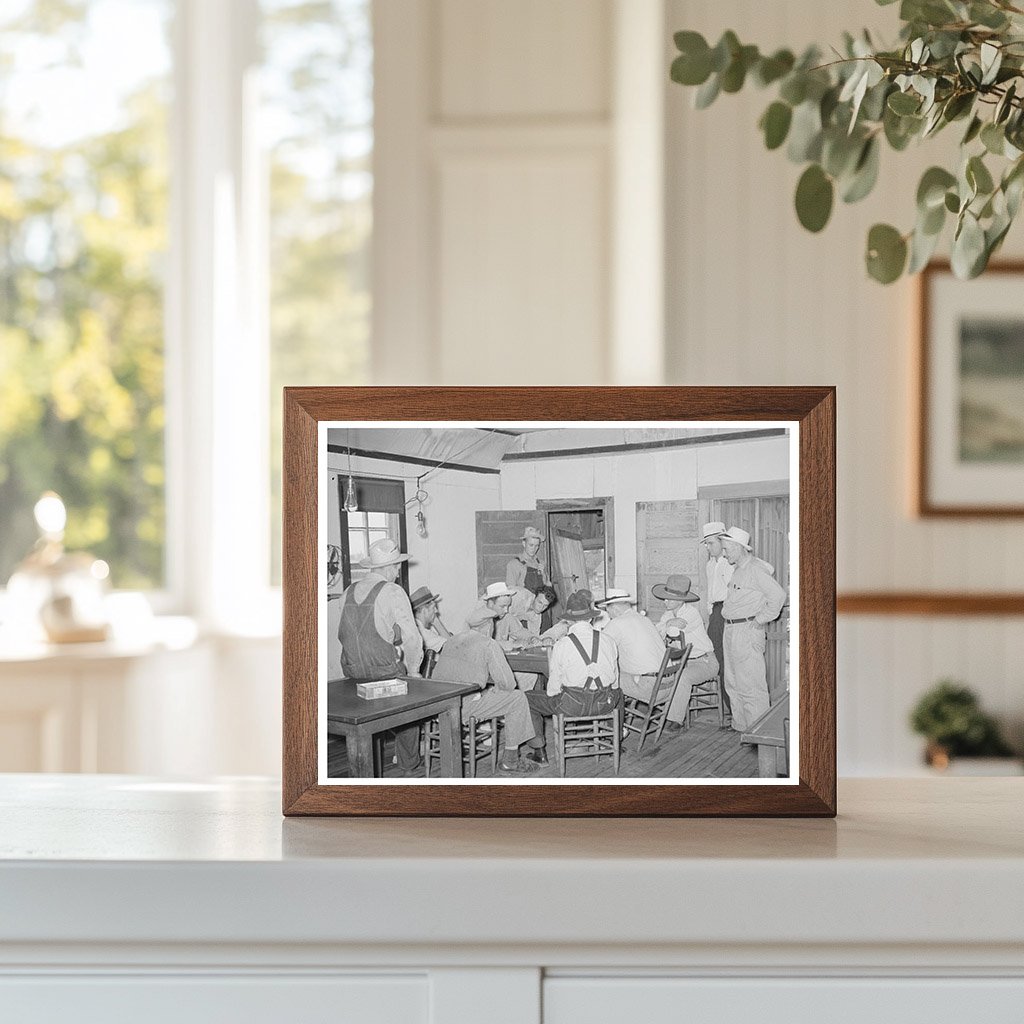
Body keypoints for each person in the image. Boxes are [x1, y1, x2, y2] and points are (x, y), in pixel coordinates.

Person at [336, 538, 423, 774]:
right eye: (396, 566)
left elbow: (348, 634)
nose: (397, 571)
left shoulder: (347, 591)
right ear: (388, 568)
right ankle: (409, 765)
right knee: (411, 712)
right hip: (384, 673)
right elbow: (413, 638)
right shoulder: (393, 591)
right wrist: (415, 672)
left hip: (352, 674)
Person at [433, 607, 539, 775]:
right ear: (489, 625)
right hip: (461, 708)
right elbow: (508, 684)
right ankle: (510, 761)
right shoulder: (489, 644)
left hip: (437, 707)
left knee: (484, 694)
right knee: (517, 698)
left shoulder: (452, 640)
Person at [524, 590, 620, 765]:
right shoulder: (608, 640)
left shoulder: (562, 645)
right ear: (591, 618)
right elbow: (615, 682)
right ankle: (612, 742)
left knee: (527, 698)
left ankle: (539, 752)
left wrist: (558, 696)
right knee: (616, 693)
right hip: (603, 704)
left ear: (568, 619)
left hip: (572, 706)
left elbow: (553, 689)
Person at [719, 526, 787, 733]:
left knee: (751, 686)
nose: (724, 553)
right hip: (731, 629)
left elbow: (778, 596)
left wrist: (760, 620)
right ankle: (743, 728)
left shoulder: (755, 569)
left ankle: (760, 734)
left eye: (727, 548)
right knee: (732, 683)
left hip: (746, 631)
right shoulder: (738, 569)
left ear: (739, 547)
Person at [650, 574, 721, 727]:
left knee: (682, 678)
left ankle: (675, 719)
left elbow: (673, 632)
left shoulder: (692, 613)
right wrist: (668, 623)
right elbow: (657, 633)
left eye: (669, 598)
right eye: (665, 598)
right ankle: (664, 709)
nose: (665, 601)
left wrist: (666, 626)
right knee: (659, 674)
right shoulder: (668, 615)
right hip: (683, 662)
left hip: (705, 661)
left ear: (682, 599)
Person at [595, 588, 666, 710]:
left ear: (614, 609)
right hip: (668, 685)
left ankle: (615, 724)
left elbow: (598, 649)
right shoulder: (644, 619)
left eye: (607, 611)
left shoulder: (617, 622)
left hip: (650, 688)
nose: (609, 615)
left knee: (603, 678)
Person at [411, 586, 451, 675]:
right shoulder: (423, 633)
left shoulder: (416, 627)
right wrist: (436, 622)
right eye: (433, 608)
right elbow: (452, 647)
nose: (436, 611)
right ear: (424, 610)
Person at [465, 581, 516, 647]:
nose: (506, 610)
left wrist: (531, 638)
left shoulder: (505, 616)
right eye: (502, 606)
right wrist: (512, 644)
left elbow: (519, 631)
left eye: (508, 606)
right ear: (491, 604)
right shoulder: (478, 619)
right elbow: (486, 645)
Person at [506, 525, 550, 593]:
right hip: (523, 602)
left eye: (537, 546)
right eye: (531, 545)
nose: (534, 549)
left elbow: (548, 587)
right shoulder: (514, 564)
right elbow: (510, 590)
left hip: (539, 602)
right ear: (524, 543)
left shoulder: (541, 563)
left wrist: (544, 574)